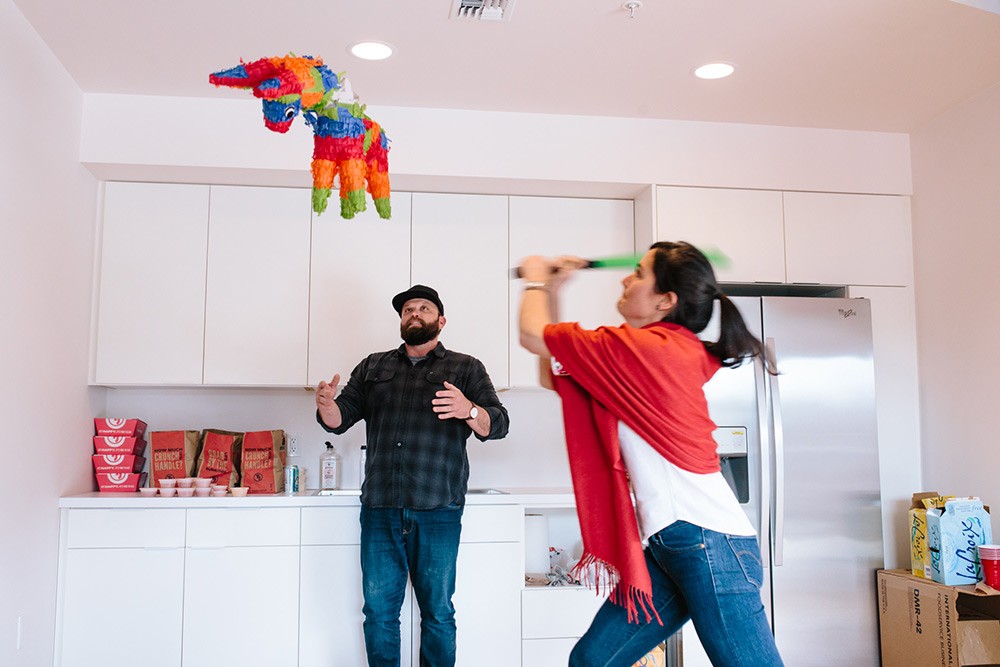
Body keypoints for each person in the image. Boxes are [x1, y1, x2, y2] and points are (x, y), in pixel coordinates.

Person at [518, 242, 784, 667]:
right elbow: (553, 369)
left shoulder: (653, 350)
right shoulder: (647, 352)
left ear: (666, 300)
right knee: (592, 660)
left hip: (708, 544)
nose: (626, 279)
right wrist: (552, 289)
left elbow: (533, 335)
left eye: (639, 273)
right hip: (670, 546)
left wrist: (535, 277)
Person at [315, 284, 510, 667]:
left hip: (439, 507)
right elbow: (340, 419)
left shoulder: (466, 367)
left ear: (441, 320)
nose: (414, 313)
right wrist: (326, 407)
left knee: (438, 613)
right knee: (378, 613)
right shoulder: (373, 366)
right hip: (380, 508)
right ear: (402, 320)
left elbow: (498, 424)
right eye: (407, 309)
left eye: (423, 308)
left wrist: (469, 410)